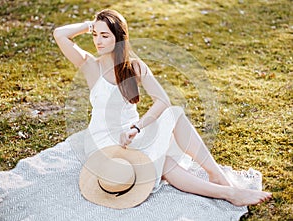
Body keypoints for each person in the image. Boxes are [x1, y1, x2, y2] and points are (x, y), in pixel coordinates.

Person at [53, 9, 272, 207]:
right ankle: (228, 193)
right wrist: (91, 24)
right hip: (104, 144)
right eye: (95, 35)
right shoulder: (90, 65)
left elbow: (163, 100)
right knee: (163, 162)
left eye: (105, 35)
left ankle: (217, 177)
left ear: (119, 38)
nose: (97, 42)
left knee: (174, 114)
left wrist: (137, 127)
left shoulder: (135, 67)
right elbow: (60, 34)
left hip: (132, 135)